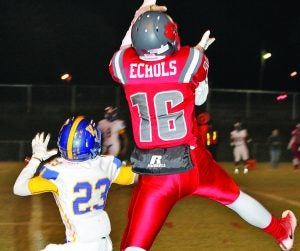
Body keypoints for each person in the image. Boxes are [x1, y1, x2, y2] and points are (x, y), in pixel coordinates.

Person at [109, 1, 297, 250]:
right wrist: (199, 49)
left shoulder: (123, 65)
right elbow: (197, 94)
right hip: (194, 163)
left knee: (135, 245)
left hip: (155, 172)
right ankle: (281, 232)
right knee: (236, 199)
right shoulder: (191, 58)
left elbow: (125, 49)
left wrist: (139, 15)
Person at [13, 115, 137, 251]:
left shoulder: (57, 173)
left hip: (79, 244)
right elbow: (135, 176)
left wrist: (35, 159)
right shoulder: (105, 165)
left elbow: (19, 188)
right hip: (104, 243)